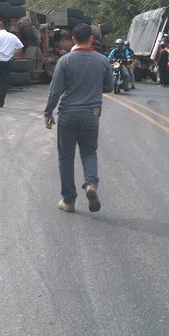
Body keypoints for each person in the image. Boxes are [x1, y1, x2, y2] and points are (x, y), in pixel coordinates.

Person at [43, 23, 114, 213]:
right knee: (89, 153)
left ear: (73, 39)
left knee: (66, 157)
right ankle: (91, 184)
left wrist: (48, 112)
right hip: (91, 115)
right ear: (91, 38)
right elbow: (109, 87)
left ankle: (69, 201)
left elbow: (55, 91)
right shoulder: (102, 60)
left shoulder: (64, 61)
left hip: (67, 115)